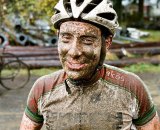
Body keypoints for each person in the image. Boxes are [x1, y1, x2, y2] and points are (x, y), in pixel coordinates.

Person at [20, 0, 160, 130]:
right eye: (66, 38)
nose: (74, 52)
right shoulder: (43, 88)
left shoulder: (132, 87)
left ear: (106, 42)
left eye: (87, 40)